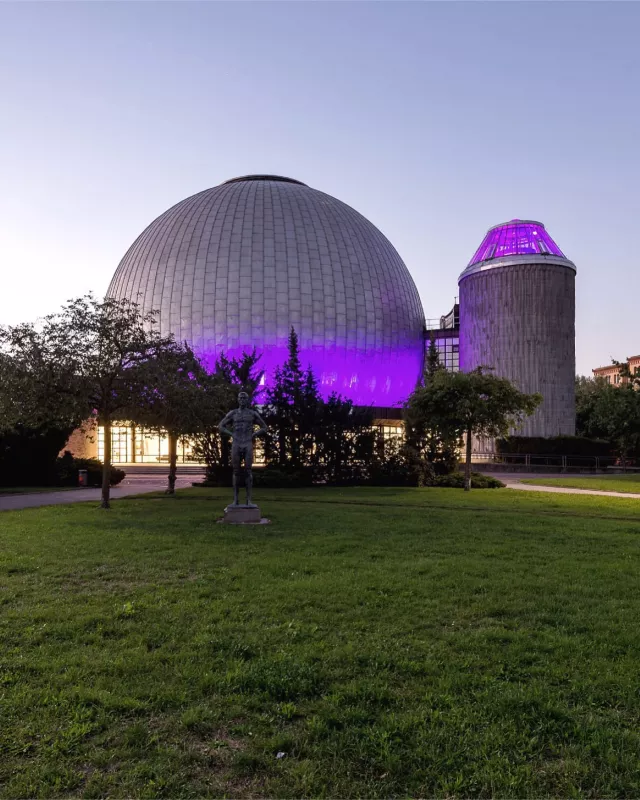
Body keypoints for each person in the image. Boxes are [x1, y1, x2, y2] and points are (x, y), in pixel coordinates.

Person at [218, 391, 268, 507]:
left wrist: (254, 434)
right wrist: (231, 434)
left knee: (248, 471)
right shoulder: (233, 413)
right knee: (236, 472)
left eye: (244, 398)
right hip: (236, 442)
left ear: (247, 400)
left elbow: (264, 427)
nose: (242, 400)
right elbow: (220, 426)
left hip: (247, 443)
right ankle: (235, 500)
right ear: (237, 399)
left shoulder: (252, 414)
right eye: (240, 398)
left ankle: (249, 500)